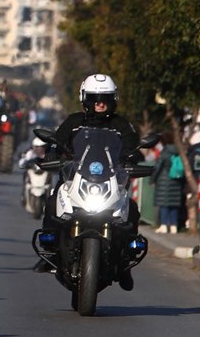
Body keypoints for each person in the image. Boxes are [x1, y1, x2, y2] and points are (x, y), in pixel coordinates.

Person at [34, 73, 141, 291]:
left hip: (111, 182)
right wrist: (52, 155)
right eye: (94, 98)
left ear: (113, 99)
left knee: (132, 209)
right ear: (85, 99)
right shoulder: (74, 122)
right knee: (54, 201)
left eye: (105, 98)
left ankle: (126, 262)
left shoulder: (121, 125)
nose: (99, 103)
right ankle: (50, 252)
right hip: (75, 179)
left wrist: (132, 159)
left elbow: (133, 148)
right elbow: (57, 142)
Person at [152, 133, 186, 233]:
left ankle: (164, 225)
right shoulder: (178, 151)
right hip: (176, 180)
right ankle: (174, 226)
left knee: (164, 204)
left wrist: (152, 179)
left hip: (164, 180)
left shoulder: (165, 152)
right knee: (174, 204)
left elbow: (158, 167)